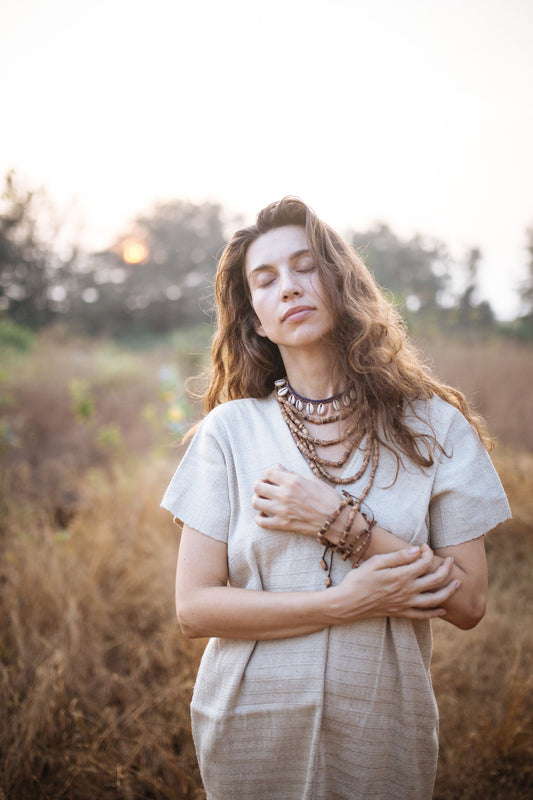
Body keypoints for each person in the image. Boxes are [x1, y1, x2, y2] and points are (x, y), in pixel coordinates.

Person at [161, 197, 510, 800]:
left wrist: (341, 523)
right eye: (265, 280)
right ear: (257, 321)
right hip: (251, 729)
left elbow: (468, 602)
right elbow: (195, 609)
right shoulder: (230, 432)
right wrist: (344, 603)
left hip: (382, 731)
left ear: (342, 281)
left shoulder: (434, 427)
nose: (289, 288)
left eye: (305, 266)